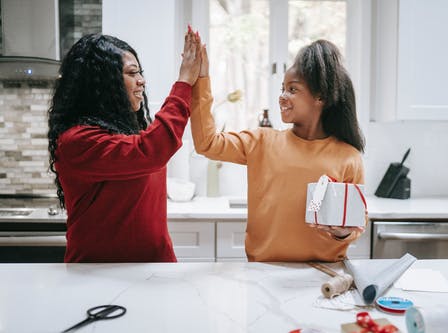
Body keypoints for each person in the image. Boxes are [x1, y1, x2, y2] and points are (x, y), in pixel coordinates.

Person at [191, 39, 366, 262]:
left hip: (323, 276)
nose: (282, 96)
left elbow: (358, 222)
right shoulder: (261, 142)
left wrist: (342, 231)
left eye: (292, 89)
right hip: (264, 273)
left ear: (320, 96)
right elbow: (207, 143)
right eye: (283, 89)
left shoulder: (348, 157)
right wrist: (201, 80)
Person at [47, 28, 202, 263]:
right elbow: (152, 150)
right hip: (97, 275)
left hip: (154, 268)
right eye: (132, 73)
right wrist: (184, 82)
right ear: (102, 84)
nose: (142, 81)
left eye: (139, 72)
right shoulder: (78, 141)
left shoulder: (131, 133)